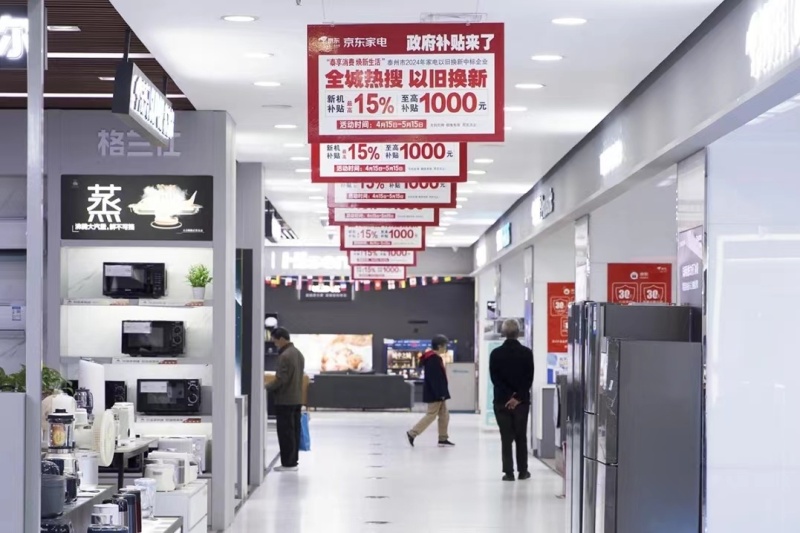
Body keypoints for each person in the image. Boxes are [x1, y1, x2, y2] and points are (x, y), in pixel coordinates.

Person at [490, 319, 534, 481]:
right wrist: (517, 397)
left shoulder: (495, 354)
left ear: (503, 333)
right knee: (521, 436)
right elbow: (529, 378)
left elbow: (495, 379)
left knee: (506, 437)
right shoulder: (527, 353)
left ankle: (508, 472)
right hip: (521, 402)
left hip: (501, 401)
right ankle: (523, 471)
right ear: (518, 333)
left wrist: (508, 396)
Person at [266, 327, 306, 472]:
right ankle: (292, 461)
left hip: (285, 399)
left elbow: (281, 379)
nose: (275, 344)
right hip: (296, 398)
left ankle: (288, 464)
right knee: (294, 431)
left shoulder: (285, 356)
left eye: (275, 341)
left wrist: (266, 387)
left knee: (285, 433)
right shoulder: (298, 354)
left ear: (282, 339)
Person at [406, 334, 455, 447]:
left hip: (439, 392)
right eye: (445, 346)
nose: (446, 348)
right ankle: (412, 433)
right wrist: (440, 394)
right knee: (431, 414)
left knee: (444, 415)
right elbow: (434, 379)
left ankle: (443, 438)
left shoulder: (433, 358)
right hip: (436, 393)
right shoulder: (433, 359)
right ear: (439, 346)